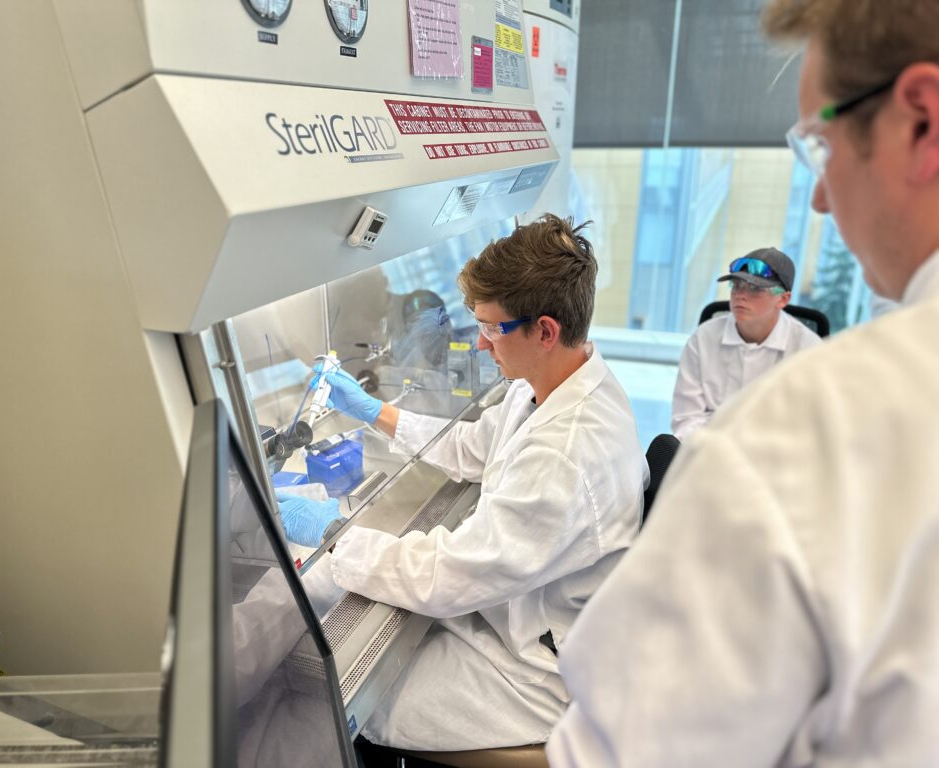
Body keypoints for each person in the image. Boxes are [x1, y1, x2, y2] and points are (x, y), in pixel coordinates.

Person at [547, 1, 939, 765]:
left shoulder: (810, 428)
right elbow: (690, 419)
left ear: (921, 123)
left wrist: (732, 458)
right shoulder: (743, 377)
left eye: (820, 146)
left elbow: (627, 752)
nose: (820, 197)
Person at [277, 213, 647, 751]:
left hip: (542, 677)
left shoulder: (568, 455)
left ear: (545, 330)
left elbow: (444, 576)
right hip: (518, 616)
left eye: (492, 328)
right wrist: (373, 412)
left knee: (343, 703)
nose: (479, 345)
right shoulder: (553, 380)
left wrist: (334, 532)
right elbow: (473, 446)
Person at [671, 247, 822, 439]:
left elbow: (807, 429)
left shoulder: (809, 350)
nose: (740, 295)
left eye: (755, 289)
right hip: (711, 453)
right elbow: (686, 419)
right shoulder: (703, 338)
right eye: (736, 285)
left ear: (783, 299)